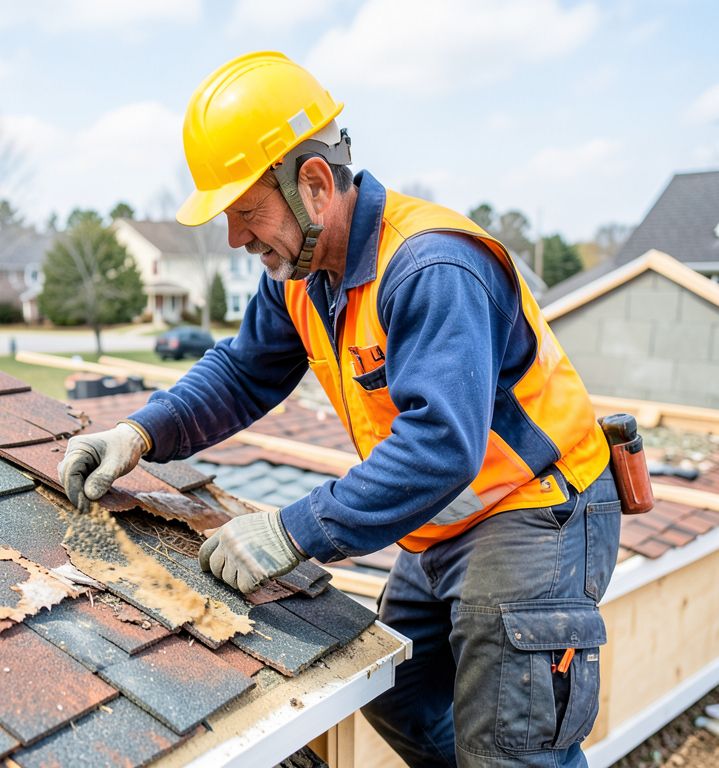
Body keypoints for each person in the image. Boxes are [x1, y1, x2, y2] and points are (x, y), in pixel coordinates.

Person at [58, 51, 621, 768]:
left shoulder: (430, 266)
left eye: (245, 213)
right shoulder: (304, 274)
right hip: (445, 521)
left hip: (534, 514)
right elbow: (240, 372)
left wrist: (293, 531)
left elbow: (439, 446)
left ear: (314, 185)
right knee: (396, 692)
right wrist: (139, 433)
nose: (236, 239)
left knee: (511, 746)